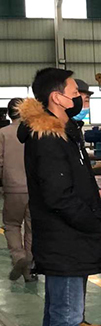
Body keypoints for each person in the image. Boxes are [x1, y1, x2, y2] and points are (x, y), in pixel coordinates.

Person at [18, 68, 101, 326]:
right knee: (66, 317)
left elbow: (69, 182)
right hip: (65, 240)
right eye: (75, 92)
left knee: (59, 315)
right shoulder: (47, 138)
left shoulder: (63, 133)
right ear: (57, 97)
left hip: (67, 238)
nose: (80, 99)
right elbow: (58, 196)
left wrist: (92, 193)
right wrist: (90, 220)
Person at [73, 79, 101, 326]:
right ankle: (71, 325)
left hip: (84, 207)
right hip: (71, 213)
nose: (86, 105)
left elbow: (82, 169)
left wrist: (95, 191)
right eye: (82, 99)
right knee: (72, 270)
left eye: (87, 100)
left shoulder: (75, 129)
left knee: (81, 267)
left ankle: (78, 318)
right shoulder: (57, 132)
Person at [1, 98, 35, 283]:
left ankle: (18, 256)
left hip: (13, 188)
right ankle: (29, 267)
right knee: (32, 228)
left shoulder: (3, 134)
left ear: (8, 113)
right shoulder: (35, 133)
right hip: (35, 189)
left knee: (12, 224)